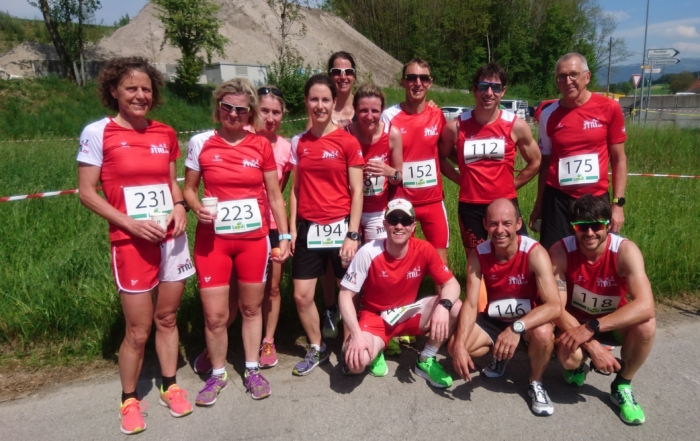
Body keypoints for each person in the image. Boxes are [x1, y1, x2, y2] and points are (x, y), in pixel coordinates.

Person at [77, 56, 196, 434]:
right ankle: (129, 398)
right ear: (114, 91)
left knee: (167, 318)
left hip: (171, 239)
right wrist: (130, 224)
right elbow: (86, 192)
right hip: (130, 242)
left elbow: (172, 183)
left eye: (146, 88)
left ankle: (169, 385)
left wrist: (180, 207)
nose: (140, 95)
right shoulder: (98, 132)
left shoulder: (165, 133)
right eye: (131, 88)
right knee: (139, 329)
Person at [183, 79, 290, 403]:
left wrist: (285, 236)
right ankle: (217, 375)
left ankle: (252, 369)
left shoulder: (260, 145)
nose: (233, 114)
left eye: (240, 110)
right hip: (213, 242)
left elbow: (275, 195)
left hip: (253, 240)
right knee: (215, 316)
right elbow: (189, 189)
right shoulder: (201, 142)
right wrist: (196, 207)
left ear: (249, 112)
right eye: (227, 107)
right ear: (218, 108)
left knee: (250, 308)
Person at [549, 194, 655, 425]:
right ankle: (580, 365)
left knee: (646, 325)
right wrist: (592, 345)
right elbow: (556, 308)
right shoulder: (560, 251)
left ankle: (622, 385)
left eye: (596, 226)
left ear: (608, 225)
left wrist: (592, 328)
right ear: (573, 227)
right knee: (569, 358)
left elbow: (646, 306)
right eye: (582, 226)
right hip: (575, 323)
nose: (589, 233)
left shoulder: (626, 251)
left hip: (610, 322)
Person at [450, 199, 561, 416]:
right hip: (495, 318)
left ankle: (535, 382)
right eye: (493, 224)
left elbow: (554, 306)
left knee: (544, 333)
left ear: (518, 224)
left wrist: (516, 328)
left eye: (506, 223)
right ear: (485, 224)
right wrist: (460, 346)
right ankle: (501, 356)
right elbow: (471, 304)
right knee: (456, 347)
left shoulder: (535, 253)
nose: (500, 230)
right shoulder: (478, 254)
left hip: (528, 321)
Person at [339, 199, 462, 387]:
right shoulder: (368, 252)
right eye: (393, 219)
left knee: (455, 306)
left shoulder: (424, 249)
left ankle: (426, 359)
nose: (399, 226)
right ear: (385, 224)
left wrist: (443, 307)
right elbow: (345, 294)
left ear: (413, 226)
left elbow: (452, 284)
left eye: (405, 221)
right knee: (356, 363)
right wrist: (355, 335)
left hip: (408, 313)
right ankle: (379, 347)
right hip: (375, 318)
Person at [289, 74, 364, 376]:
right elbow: (295, 190)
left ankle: (348, 346)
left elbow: (357, 191)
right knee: (301, 295)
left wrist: (353, 234)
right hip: (309, 228)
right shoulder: (300, 142)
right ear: (306, 102)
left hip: (341, 227)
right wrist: (292, 229)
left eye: (325, 99)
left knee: (347, 292)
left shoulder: (348, 141)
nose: (319, 105)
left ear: (334, 102)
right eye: (314, 99)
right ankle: (317, 347)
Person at [439, 62, 540, 255]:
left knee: (517, 255)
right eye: (484, 86)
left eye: (496, 88)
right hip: (470, 206)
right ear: (474, 89)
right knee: (475, 258)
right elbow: (440, 158)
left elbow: (535, 161)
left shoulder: (517, 126)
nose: (489, 93)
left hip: (506, 203)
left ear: (503, 91)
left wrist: (513, 185)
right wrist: (461, 180)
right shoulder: (455, 127)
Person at [530, 53, 628, 249]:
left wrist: (617, 205)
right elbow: (545, 163)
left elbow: (618, 159)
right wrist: (539, 204)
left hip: (595, 197)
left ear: (587, 76)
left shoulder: (609, 108)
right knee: (554, 256)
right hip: (558, 198)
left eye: (573, 74)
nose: (568, 81)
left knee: (593, 255)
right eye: (561, 76)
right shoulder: (548, 114)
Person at [307, 51, 359, 341]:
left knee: (359, 263)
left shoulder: (362, 105)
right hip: (333, 202)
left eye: (347, 71)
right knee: (329, 261)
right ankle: (330, 309)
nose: (342, 76)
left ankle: (365, 318)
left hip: (365, 195)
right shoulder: (319, 107)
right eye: (336, 71)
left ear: (354, 76)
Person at [381, 58, 450, 270]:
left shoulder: (437, 114)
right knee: (400, 261)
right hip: (401, 199)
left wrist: (465, 179)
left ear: (430, 83)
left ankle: (442, 293)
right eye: (412, 77)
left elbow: (446, 154)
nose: (418, 83)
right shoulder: (389, 116)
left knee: (440, 263)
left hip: (433, 201)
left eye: (423, 78)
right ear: (403, 82)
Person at [346, 83, 403, 241]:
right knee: (348, 255)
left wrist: (389, 172)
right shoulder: (346, 134)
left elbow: (399, 178)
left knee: (377, 254)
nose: (369, 116)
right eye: (364, 110)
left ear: (382, 110)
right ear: (355, 109)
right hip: (348, 210)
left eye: (375, 111)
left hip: (377, 212)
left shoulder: (392, 134)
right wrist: (355, 175)